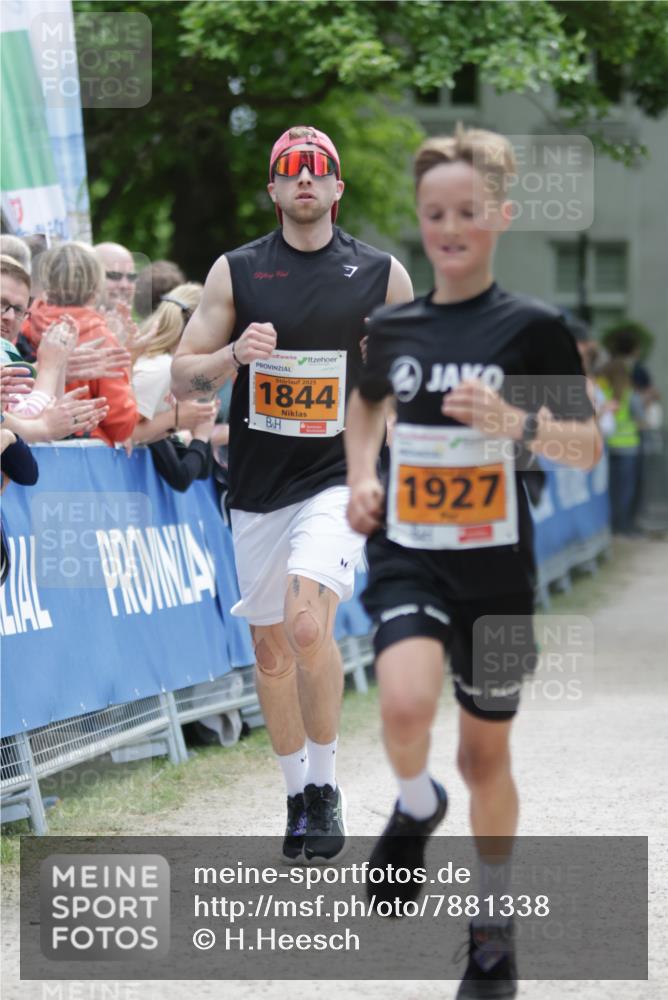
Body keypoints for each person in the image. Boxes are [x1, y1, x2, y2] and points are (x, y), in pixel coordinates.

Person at [345, 128, 602, 998]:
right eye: (433, 215)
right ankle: (415, 807)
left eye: (466, 212)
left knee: (484, 760)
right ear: (420, 222)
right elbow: (367, 401)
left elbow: (585, 449)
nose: (448, 227)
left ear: (499, 216)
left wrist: (513, 424)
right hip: (410, 554)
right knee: (405, 703)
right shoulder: (393, 323)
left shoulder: (532, 329)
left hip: (497, 571)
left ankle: (493, 937)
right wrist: (359, 480)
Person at [172, 124, 413, 863]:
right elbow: (183, 375)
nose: (304, 178)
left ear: (337, 188)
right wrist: (230, 354)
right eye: (289, 169)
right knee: (271, 648)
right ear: (273, 189)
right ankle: (295, 794)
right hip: (259, 483)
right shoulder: (236, 272)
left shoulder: (382, 276)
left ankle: (328, 785)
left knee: (309, 624)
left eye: (318, 170)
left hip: (339, 475)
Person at [27, 243, 137, 445]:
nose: (124, 284)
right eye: (113, 276)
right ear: (97, 285)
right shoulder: (102, 338)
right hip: (82, 451)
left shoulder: (24, 323)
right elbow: (121, 423)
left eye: (131, 277)